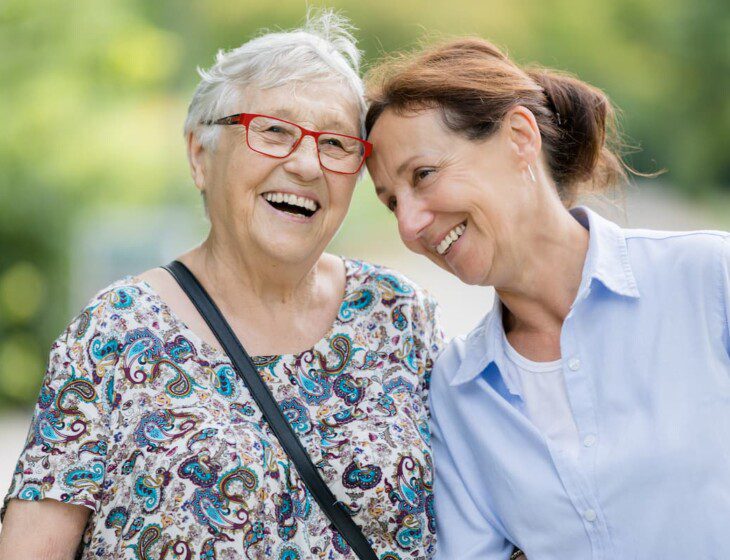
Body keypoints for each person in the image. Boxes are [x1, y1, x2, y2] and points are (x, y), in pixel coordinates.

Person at [0, 12, 444, 560]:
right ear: (199, 155)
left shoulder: (399, 314)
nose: (307, 163)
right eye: (274, 130)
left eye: (336, 144)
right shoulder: (113, 334)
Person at [364, 37, 730, 559]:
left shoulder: (709, 280)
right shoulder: (461, 388)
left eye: (423, 175)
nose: (409, 223)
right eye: (391, 203)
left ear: (519, 137)